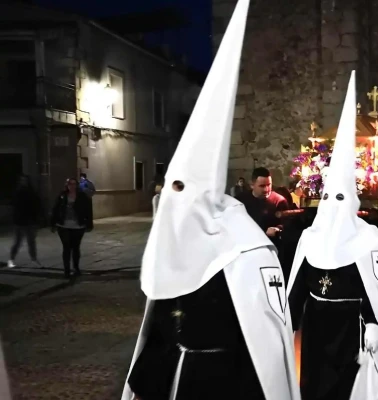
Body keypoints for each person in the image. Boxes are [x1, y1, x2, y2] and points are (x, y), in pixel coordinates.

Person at [121, 2, 300, 399]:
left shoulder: (248, 251)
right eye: (171, 188)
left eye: (182, 189)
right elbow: (160, 324)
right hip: (171, 374)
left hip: (224, 381)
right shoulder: (177, 242)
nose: (173, 199)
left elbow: (264, 341)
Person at [289, 71, 378, 399]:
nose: (331, 205)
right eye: (327, 198)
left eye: (339, 198)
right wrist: (287, 322)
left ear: (352, 202)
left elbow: (373, 288)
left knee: (344, 386)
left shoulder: (368, 240)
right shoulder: (310, 237)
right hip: (316, 323)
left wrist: (373, 323)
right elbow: (298, 285)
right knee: (312, 380)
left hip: (349, 326)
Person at [236, 167, 289, 251]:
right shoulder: (240, 200)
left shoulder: (280, 201)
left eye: (269, 185)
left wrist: (278, 229)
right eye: (262, 186)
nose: (266, 189)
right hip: (246, 247)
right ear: (252, 185)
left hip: (271, 248)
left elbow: (288, 225)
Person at [50, 178, 93, 279]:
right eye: (70, 184)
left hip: (78, 226)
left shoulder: (82, 196)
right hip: (63, 226)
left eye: (74, 184)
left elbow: (88, 210)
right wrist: (53, 224)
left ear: (76, 185)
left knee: (75, 247)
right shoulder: (62, 195)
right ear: (67, 185)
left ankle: (76, 268)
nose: (72, 186)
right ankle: (67, 270)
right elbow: (55, 209)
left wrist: (89, 224)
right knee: (66, 248)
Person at [8, 175, 41, 269]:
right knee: (18, 242)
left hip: (29, 221)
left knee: (31, 242)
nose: (24, 182)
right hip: (20, 221)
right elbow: (13, 206)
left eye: (25, 180)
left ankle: (34, 259)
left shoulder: (32, 192)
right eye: (22, 180)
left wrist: (36, 219)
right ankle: (11, 259)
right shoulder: (17, 192)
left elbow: (37, 206)